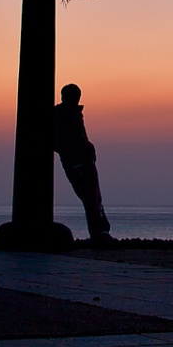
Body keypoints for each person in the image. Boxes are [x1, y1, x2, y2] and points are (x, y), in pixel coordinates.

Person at [54, 83, 113, 246]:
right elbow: (62, 139)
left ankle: (100, 232)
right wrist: (81, 148)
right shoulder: (64, 113)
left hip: (81, 159)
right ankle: (98, 234)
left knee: (93, 197)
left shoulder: (70, 113)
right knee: (91, 197)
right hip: (77, 161)